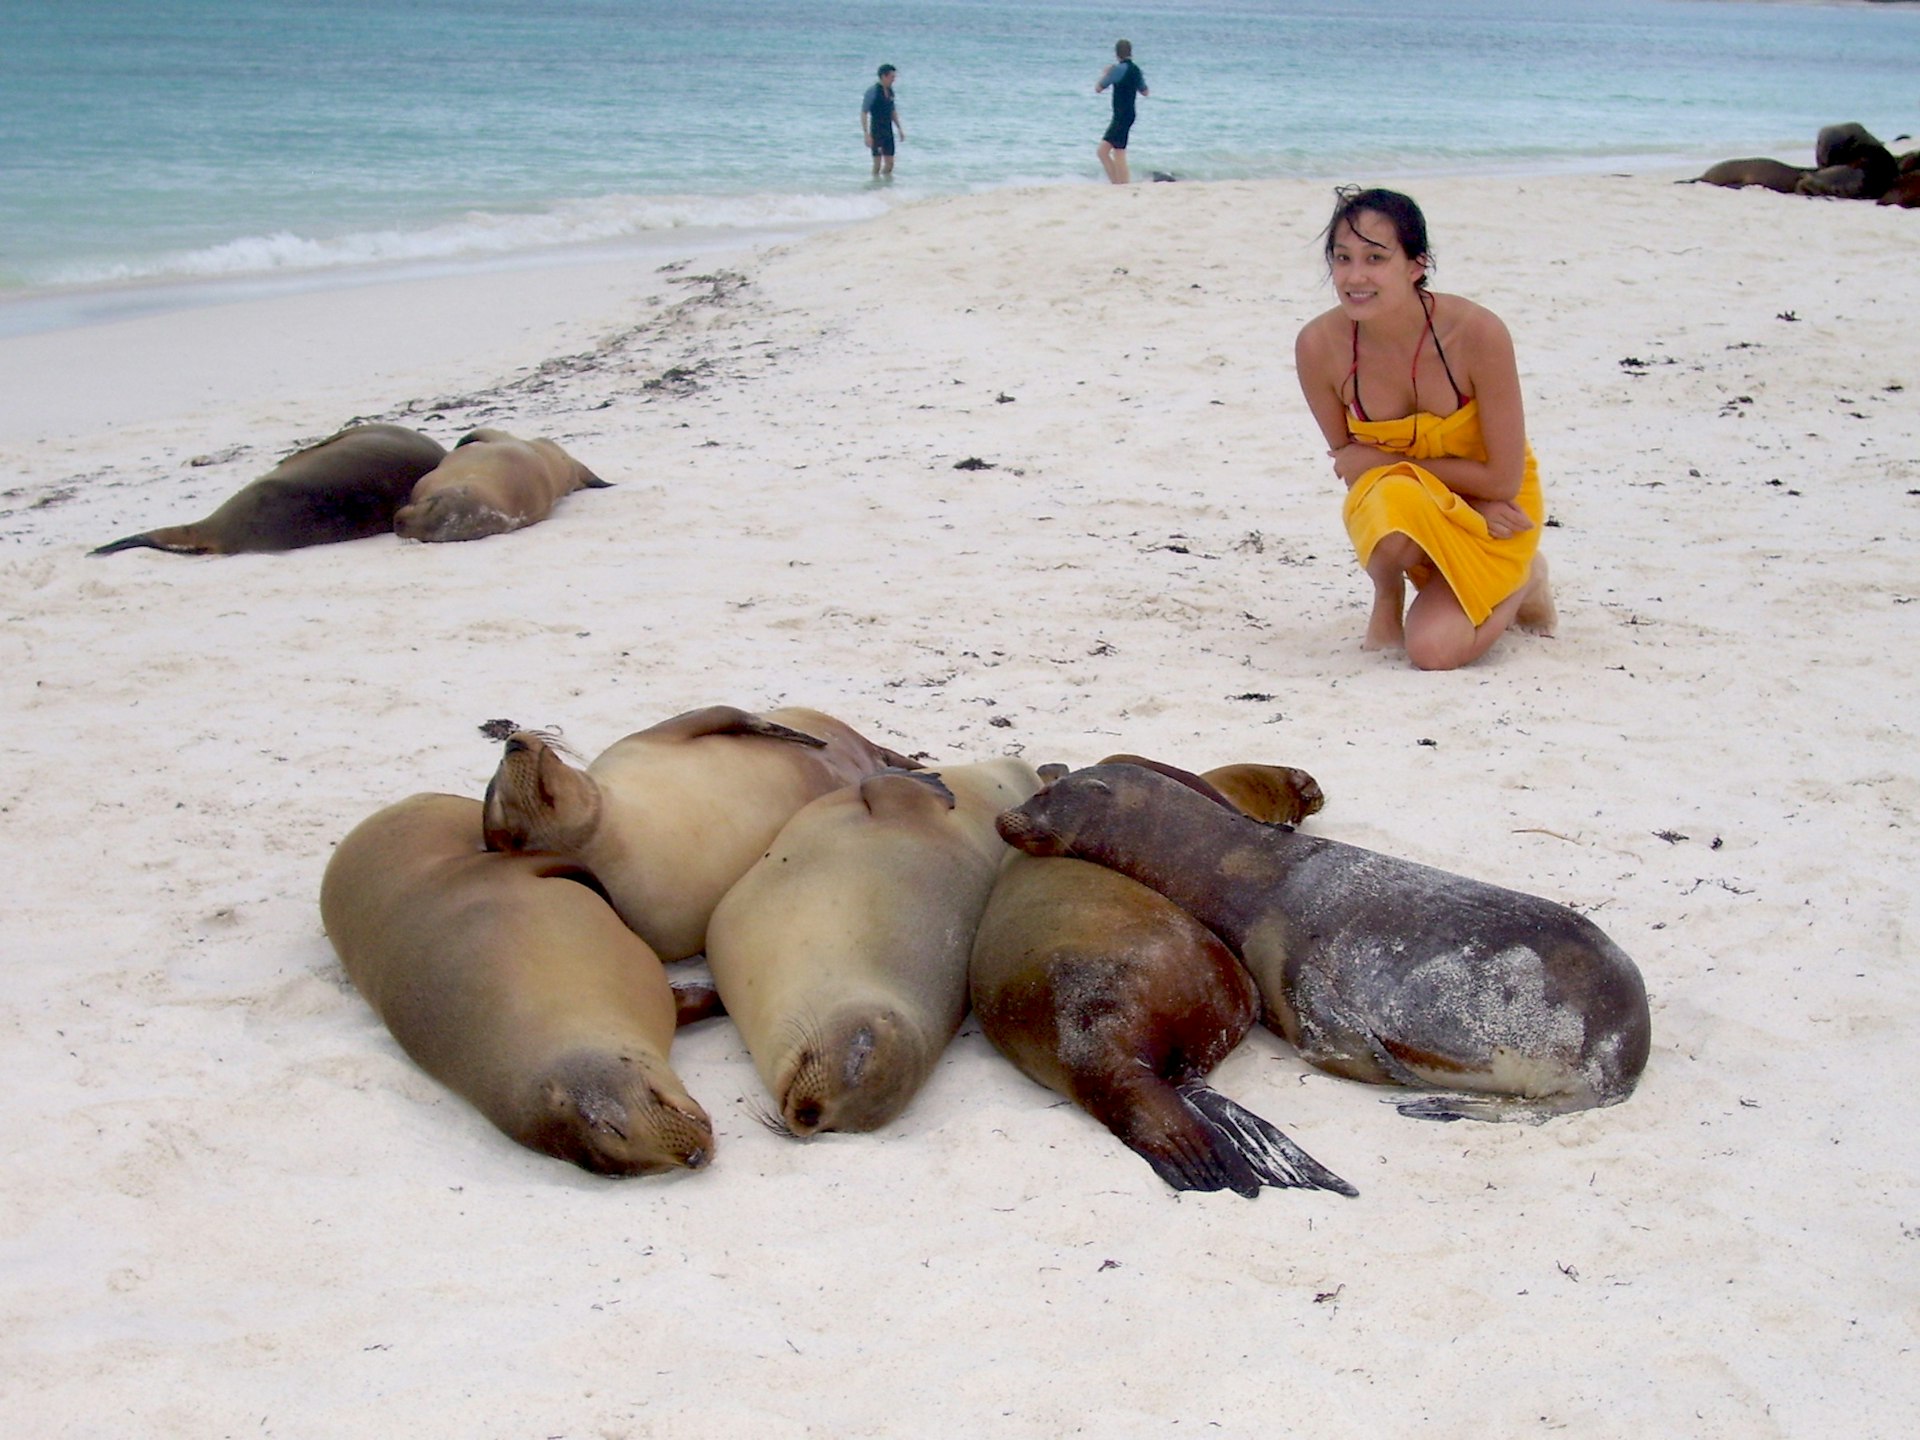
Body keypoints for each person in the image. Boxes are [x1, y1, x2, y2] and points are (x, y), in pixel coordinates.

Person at [1293, 186, 1555, 670]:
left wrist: (1387, 459)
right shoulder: (1318, 346)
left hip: (1495, 511)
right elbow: (1356, 474)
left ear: (1416, 265)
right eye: (1342, 258)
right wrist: (1383, 468)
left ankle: (1522, 580)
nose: (1355, 277)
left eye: (1375, 257)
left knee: (1434, 652)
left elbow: (1502, 479)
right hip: (1405, 516)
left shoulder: (1477, 334)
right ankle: (1387, 591)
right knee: (1391, 498)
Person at [1095, 40, 1148, 184]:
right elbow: (1145, 92)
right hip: (1129, 114)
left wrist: (1106, 73)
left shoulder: (1118, 70)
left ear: (1117, 54)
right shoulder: (1136, 70)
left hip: (1120, 115)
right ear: (1130, 52)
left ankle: (1121, 184)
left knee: (1113, 152)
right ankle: (1118, 183)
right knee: (1110, 151)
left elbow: (1098, 88)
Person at [861, 64, 904, 178]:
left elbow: (892, 111)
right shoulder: (873, 91)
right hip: (876, 131)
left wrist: (899, 129)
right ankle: (873, 189)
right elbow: (864, 112)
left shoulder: (890, 91)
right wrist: (866, 134)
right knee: (877, 164)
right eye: (891, 77)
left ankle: (883, 187)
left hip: (888, 131)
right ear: (883, 76)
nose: (894, 79)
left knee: (890, 164)